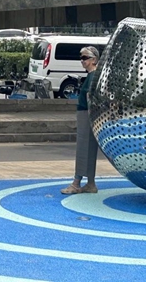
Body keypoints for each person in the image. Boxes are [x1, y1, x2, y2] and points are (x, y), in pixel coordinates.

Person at [61, 46, 100, 195]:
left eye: (85, 58)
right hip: (90, 116)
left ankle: (76, 183)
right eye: (81, 58)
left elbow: (90, 98)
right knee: (90, 149)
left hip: (86, 114)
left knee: (83, 149)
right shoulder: (92, 76)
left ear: (94, 59)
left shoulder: (92, 76)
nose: (82, 60)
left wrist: (90, 116)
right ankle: (90, 183)